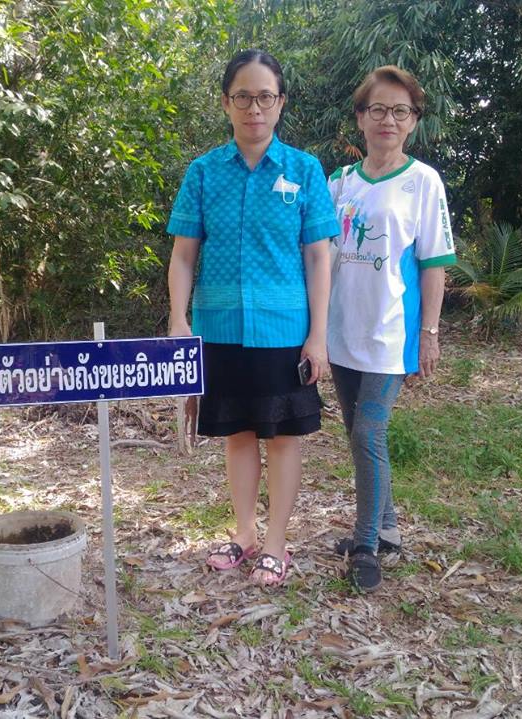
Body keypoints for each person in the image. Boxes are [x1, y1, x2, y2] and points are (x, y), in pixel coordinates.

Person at [167, 49, 339, 587]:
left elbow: (319, 257)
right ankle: (244, 534)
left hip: (283, 331)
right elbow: (183, 255)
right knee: (238, 434)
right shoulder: (203, 172)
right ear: (226, 103)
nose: (254, 108)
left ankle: (276, 543)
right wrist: (178, 320)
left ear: (281, 103)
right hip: (218, 328)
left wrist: (318, 336)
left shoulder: (304, 170)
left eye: (265, 97)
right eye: (243, 97)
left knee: (283, 437)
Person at [327, 65, 456, 592]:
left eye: (400, 111)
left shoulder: (423, 182)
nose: (388, 119)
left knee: (368, 432)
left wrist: (430, 333)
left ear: (414, 121)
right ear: (360, 118)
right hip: (340, 331)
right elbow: (321, 257)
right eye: (377, 109)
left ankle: (366, 545)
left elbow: (434, 265)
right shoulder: (339, 182)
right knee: (356, 433)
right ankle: (389, 529)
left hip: (391, 334)